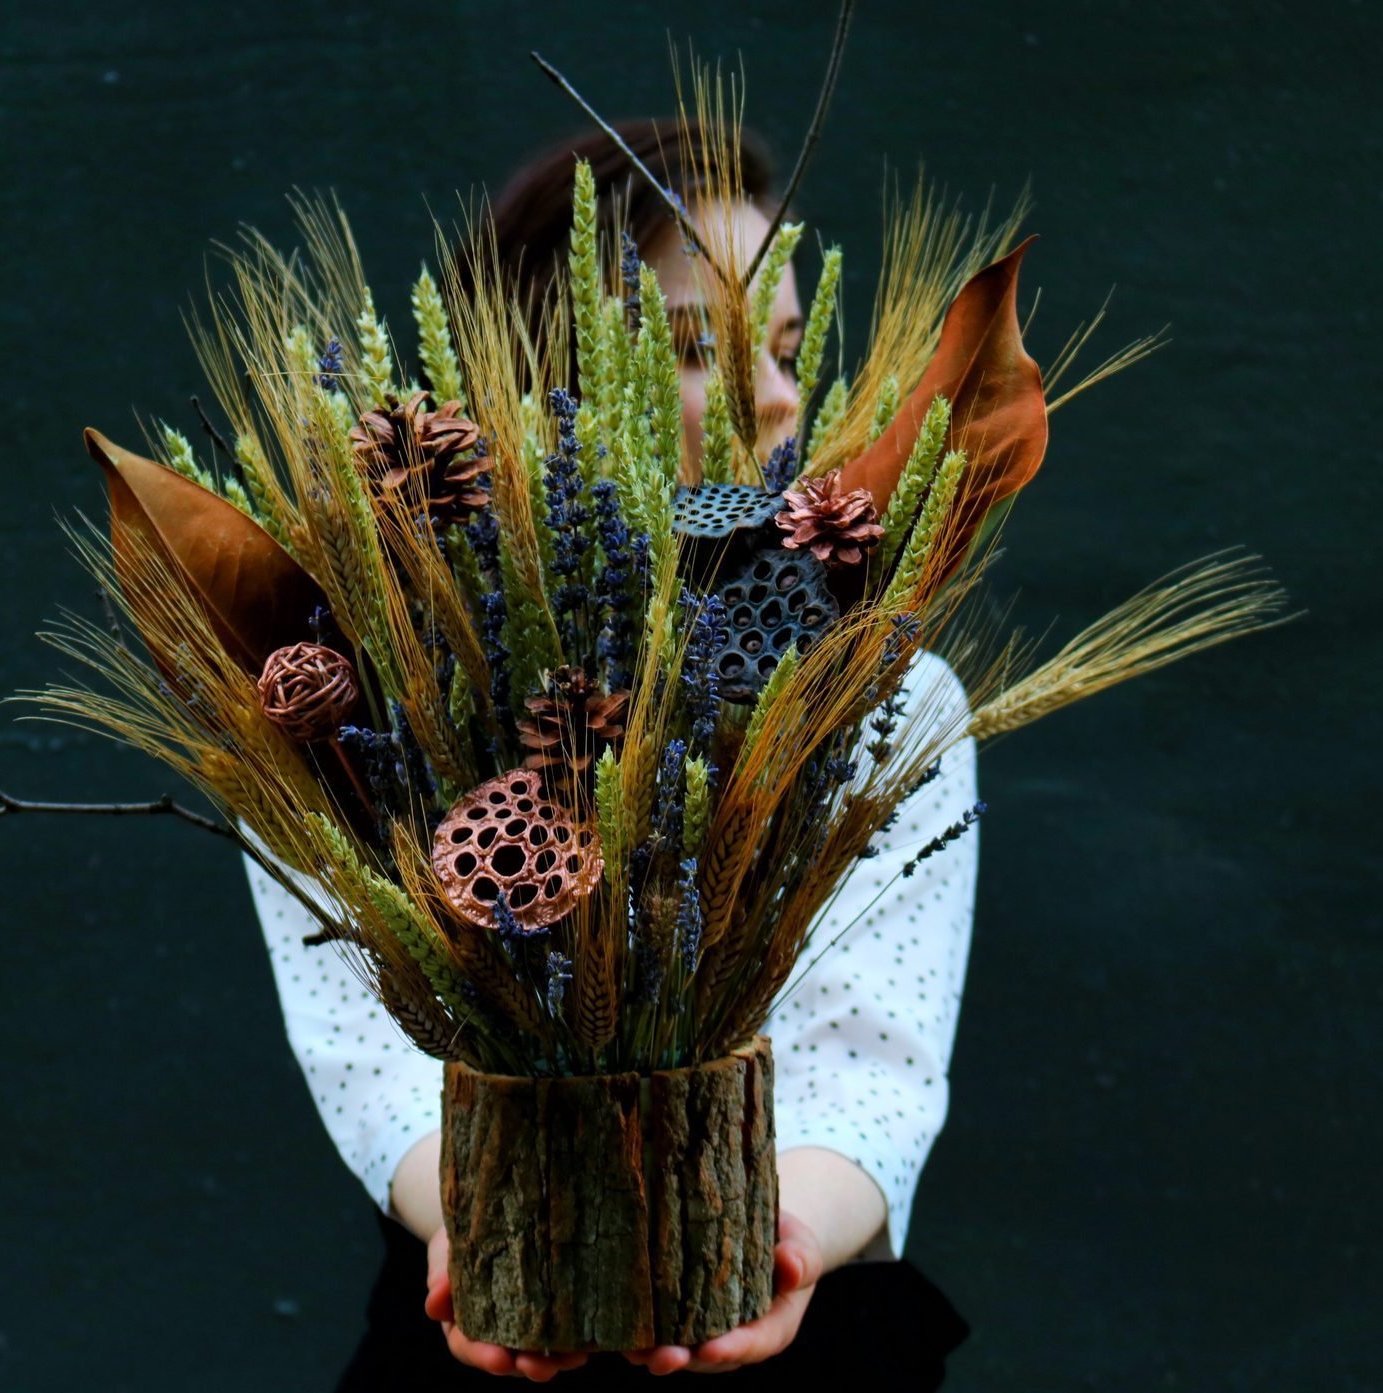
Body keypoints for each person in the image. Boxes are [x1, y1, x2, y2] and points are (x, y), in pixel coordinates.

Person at [245, 120, 977, 1387]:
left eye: (790, 347)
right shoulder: (354, 699)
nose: (775, 396)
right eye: (699, 346)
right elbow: (368, 1059)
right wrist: (481, 1228)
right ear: (543, 368)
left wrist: (776, 1244)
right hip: (477, 1322)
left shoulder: (887, 693)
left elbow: (877, 1067)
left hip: (804, 1337)